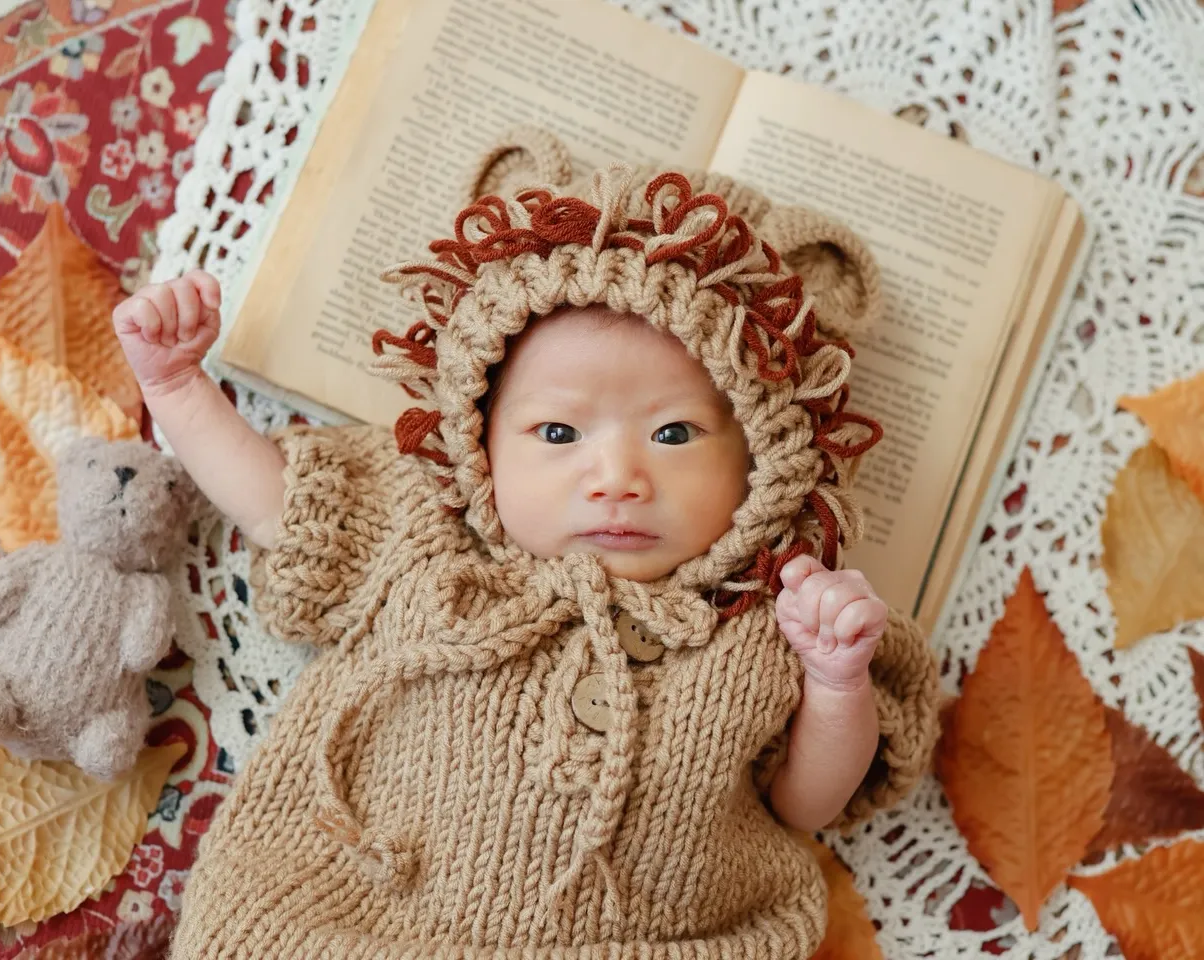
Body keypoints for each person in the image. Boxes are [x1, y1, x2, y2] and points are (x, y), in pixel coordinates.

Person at [112, 131, 940, 958]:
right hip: (357, 914)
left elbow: (806, 807)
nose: (617, 476)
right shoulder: (427, 531)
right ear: (478, 440)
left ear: (762, 456)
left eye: (675, 432)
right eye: (557, 430)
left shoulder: (774, 619)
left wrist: (837, 684)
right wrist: (177, 388)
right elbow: (275, 505)